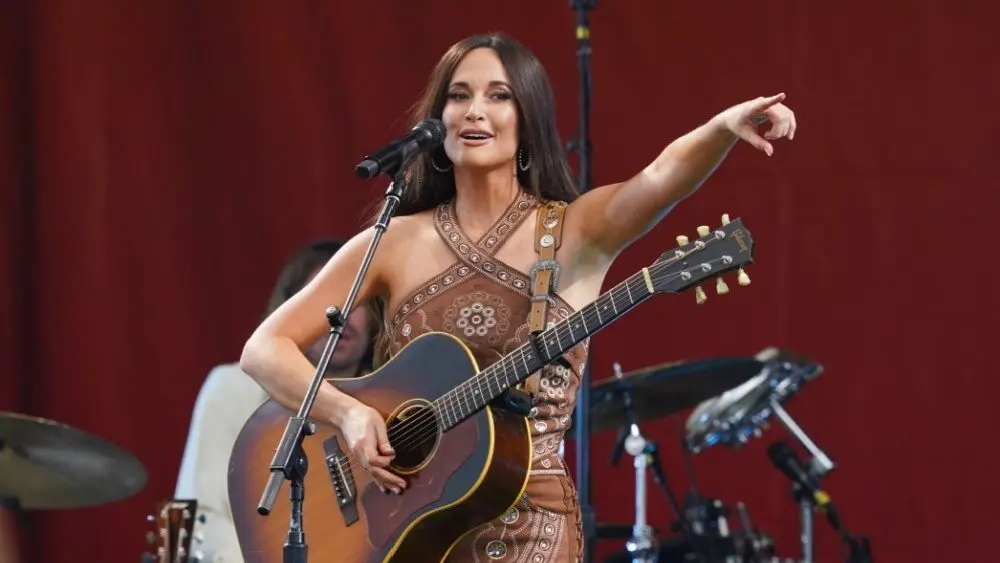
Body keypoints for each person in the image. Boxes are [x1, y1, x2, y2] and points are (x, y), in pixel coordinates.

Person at [239, 32, 796, 562]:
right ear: (438, 120)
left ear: (527, 121)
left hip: (531, 525)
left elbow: (660, 177)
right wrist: (349, 414)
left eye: (498, 96)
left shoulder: (576, 231)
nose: (475, 111)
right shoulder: (393, 240)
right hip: (402, 527)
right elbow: (264, 349)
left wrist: (723, 127)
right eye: (459, 96)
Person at [174, 238, 376, 562]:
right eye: (326, 298)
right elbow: (204, 517)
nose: (343, 312)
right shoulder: (232, 388)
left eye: (358, 298)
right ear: (289, 312)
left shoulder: (388, 398)